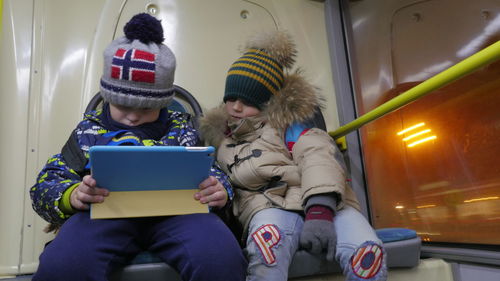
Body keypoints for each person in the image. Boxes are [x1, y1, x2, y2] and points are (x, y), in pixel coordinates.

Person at [29, 13, 247, 281]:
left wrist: (219, 190)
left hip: (179, 215)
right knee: (63, 265)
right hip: (103, 215)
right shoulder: (89, 130)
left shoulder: (182, 128)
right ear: (108, 98)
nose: (133, 117)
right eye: (122, 106)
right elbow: (46, 183)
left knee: (221, 257)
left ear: (163, 104)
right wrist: (72, 196)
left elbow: (215, 171)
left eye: (146, 109)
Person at [199, 30, 387, 281]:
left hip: (326, 202)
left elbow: (318, 157)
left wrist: (320, 211)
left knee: (367, 254)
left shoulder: (291, 124)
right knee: (268, 247)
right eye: (231, 98)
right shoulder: (221, 142)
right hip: (267, 206)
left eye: (248, 100)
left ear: (268, 102)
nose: (236, 107)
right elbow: (230, 190)